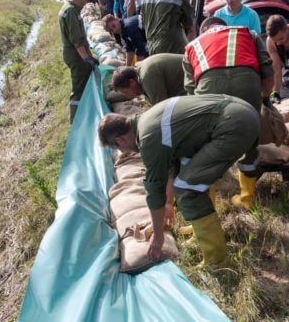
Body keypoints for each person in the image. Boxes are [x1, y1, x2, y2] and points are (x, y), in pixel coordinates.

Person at [97, 94, 260, 266]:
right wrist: (168, 204)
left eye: (120, 148)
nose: (126, 152)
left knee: (187, 188)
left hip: (234, 125)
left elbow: (155, 190)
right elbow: (172, 166)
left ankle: (217, 262)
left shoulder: (148, 139)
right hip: (245, 109)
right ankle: (201, 230)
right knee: (191, 170)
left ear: (120, 139)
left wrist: (158, 238)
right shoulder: (147, 119)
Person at [183, 17, 274, 209]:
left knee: (206, 147)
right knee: (249, 142)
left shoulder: (192, 45)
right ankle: (247, 199)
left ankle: (207, 207)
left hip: (209, 89)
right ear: (224, 26)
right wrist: (265, 99)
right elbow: (267, 68)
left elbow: (191, 90)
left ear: (204, 29)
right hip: (247, 85)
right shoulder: (247, 33)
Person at [58, 0, 98, 123]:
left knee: (82, 85)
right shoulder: (71, 12)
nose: (86, 3)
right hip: (76, 57)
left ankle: (83, 115)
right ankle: (75, 121)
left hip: (74, 54)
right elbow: (77, 41)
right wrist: (87, 59)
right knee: (79, 89)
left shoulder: (68, 7)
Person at [111, 54, 186, 105]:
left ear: (132, 82)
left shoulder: (147, 77)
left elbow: (163, 107)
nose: (128, 96)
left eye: (126, 92)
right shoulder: (140, 71)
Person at [265, 14, 289, 101]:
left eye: (280, 39)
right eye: (275, 41)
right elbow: (276, 69)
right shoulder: (270, 42)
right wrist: (275, 92)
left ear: (287, 28)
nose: (278, 43)